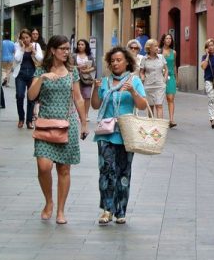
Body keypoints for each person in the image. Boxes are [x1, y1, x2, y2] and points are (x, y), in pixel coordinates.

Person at [27, 35, 89, 225]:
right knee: (43, 166)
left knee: (64, 169)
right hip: (46, 124)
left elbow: (78, 98)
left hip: (67, 124)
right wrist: (43, 77)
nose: (66, 51)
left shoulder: (72, 72)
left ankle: (61, 210)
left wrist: (83, 122)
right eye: (62, 48)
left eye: (67, 48)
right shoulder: (40, 70)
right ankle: (49, 202)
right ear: (52, 50)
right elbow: (31, 96)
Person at [91, 46, 148, 225]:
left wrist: (132, 91)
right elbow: (95, 105)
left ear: (127, 62)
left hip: (126, 133)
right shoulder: (106, 82)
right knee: (106, 171)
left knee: (123, 172)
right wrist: (95, 88)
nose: (115, 63)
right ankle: (107, 210)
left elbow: (142, 106)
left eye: (119, 60)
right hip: (106, 133)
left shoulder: (134, 80)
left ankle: (121, 210)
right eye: (112, 61)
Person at [13, 29, 44, 128]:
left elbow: (40, 59)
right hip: (20, 74)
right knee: (20, 95)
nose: (25, 40)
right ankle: (21, 118)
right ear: (20, 39)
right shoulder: (17, 46)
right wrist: (22, 48)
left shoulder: (36, 45)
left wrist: (33, 51)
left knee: (32, 98)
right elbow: (17, 59)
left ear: (30, 37)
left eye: (27, 37)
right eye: (23, 38)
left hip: (32, 74)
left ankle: (29, 121)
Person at [139, 38, 167, 118]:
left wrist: (164, 80)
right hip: (148, 85)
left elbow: (166, 69)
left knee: (159, 105)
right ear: (149, 48)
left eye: (157, 46)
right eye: (155, 46)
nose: (157, 48)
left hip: (160, 85)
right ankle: (151, 124)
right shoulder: (144, 59)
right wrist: (142, 78)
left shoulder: (161, 57)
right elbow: (141, 71)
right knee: (150, 107)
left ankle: (159, 126)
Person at [160, 33, 178, 128]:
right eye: (167, 38)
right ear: (163, 40)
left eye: (170, 38)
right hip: (160, 77)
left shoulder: (173, 52)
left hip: (171, 76)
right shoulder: (159, 52)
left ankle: (171, 120)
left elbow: (174, 65)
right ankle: (160, 119)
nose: (168, 40)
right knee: (159, 99)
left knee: (170, 98)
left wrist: (176, 77)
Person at [74, 39, 96, 112]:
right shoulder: (74, 55)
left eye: (82, 44)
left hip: (87, 78)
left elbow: (94, 67)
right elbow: (70, 66)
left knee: (87, 96)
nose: (80, 46)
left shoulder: (89, 56)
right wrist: (78, 67)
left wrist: (87, 70)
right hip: (76, 78)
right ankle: (79, 113)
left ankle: (86, 114)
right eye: (79, 44)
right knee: (77, 96)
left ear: (86, 46)